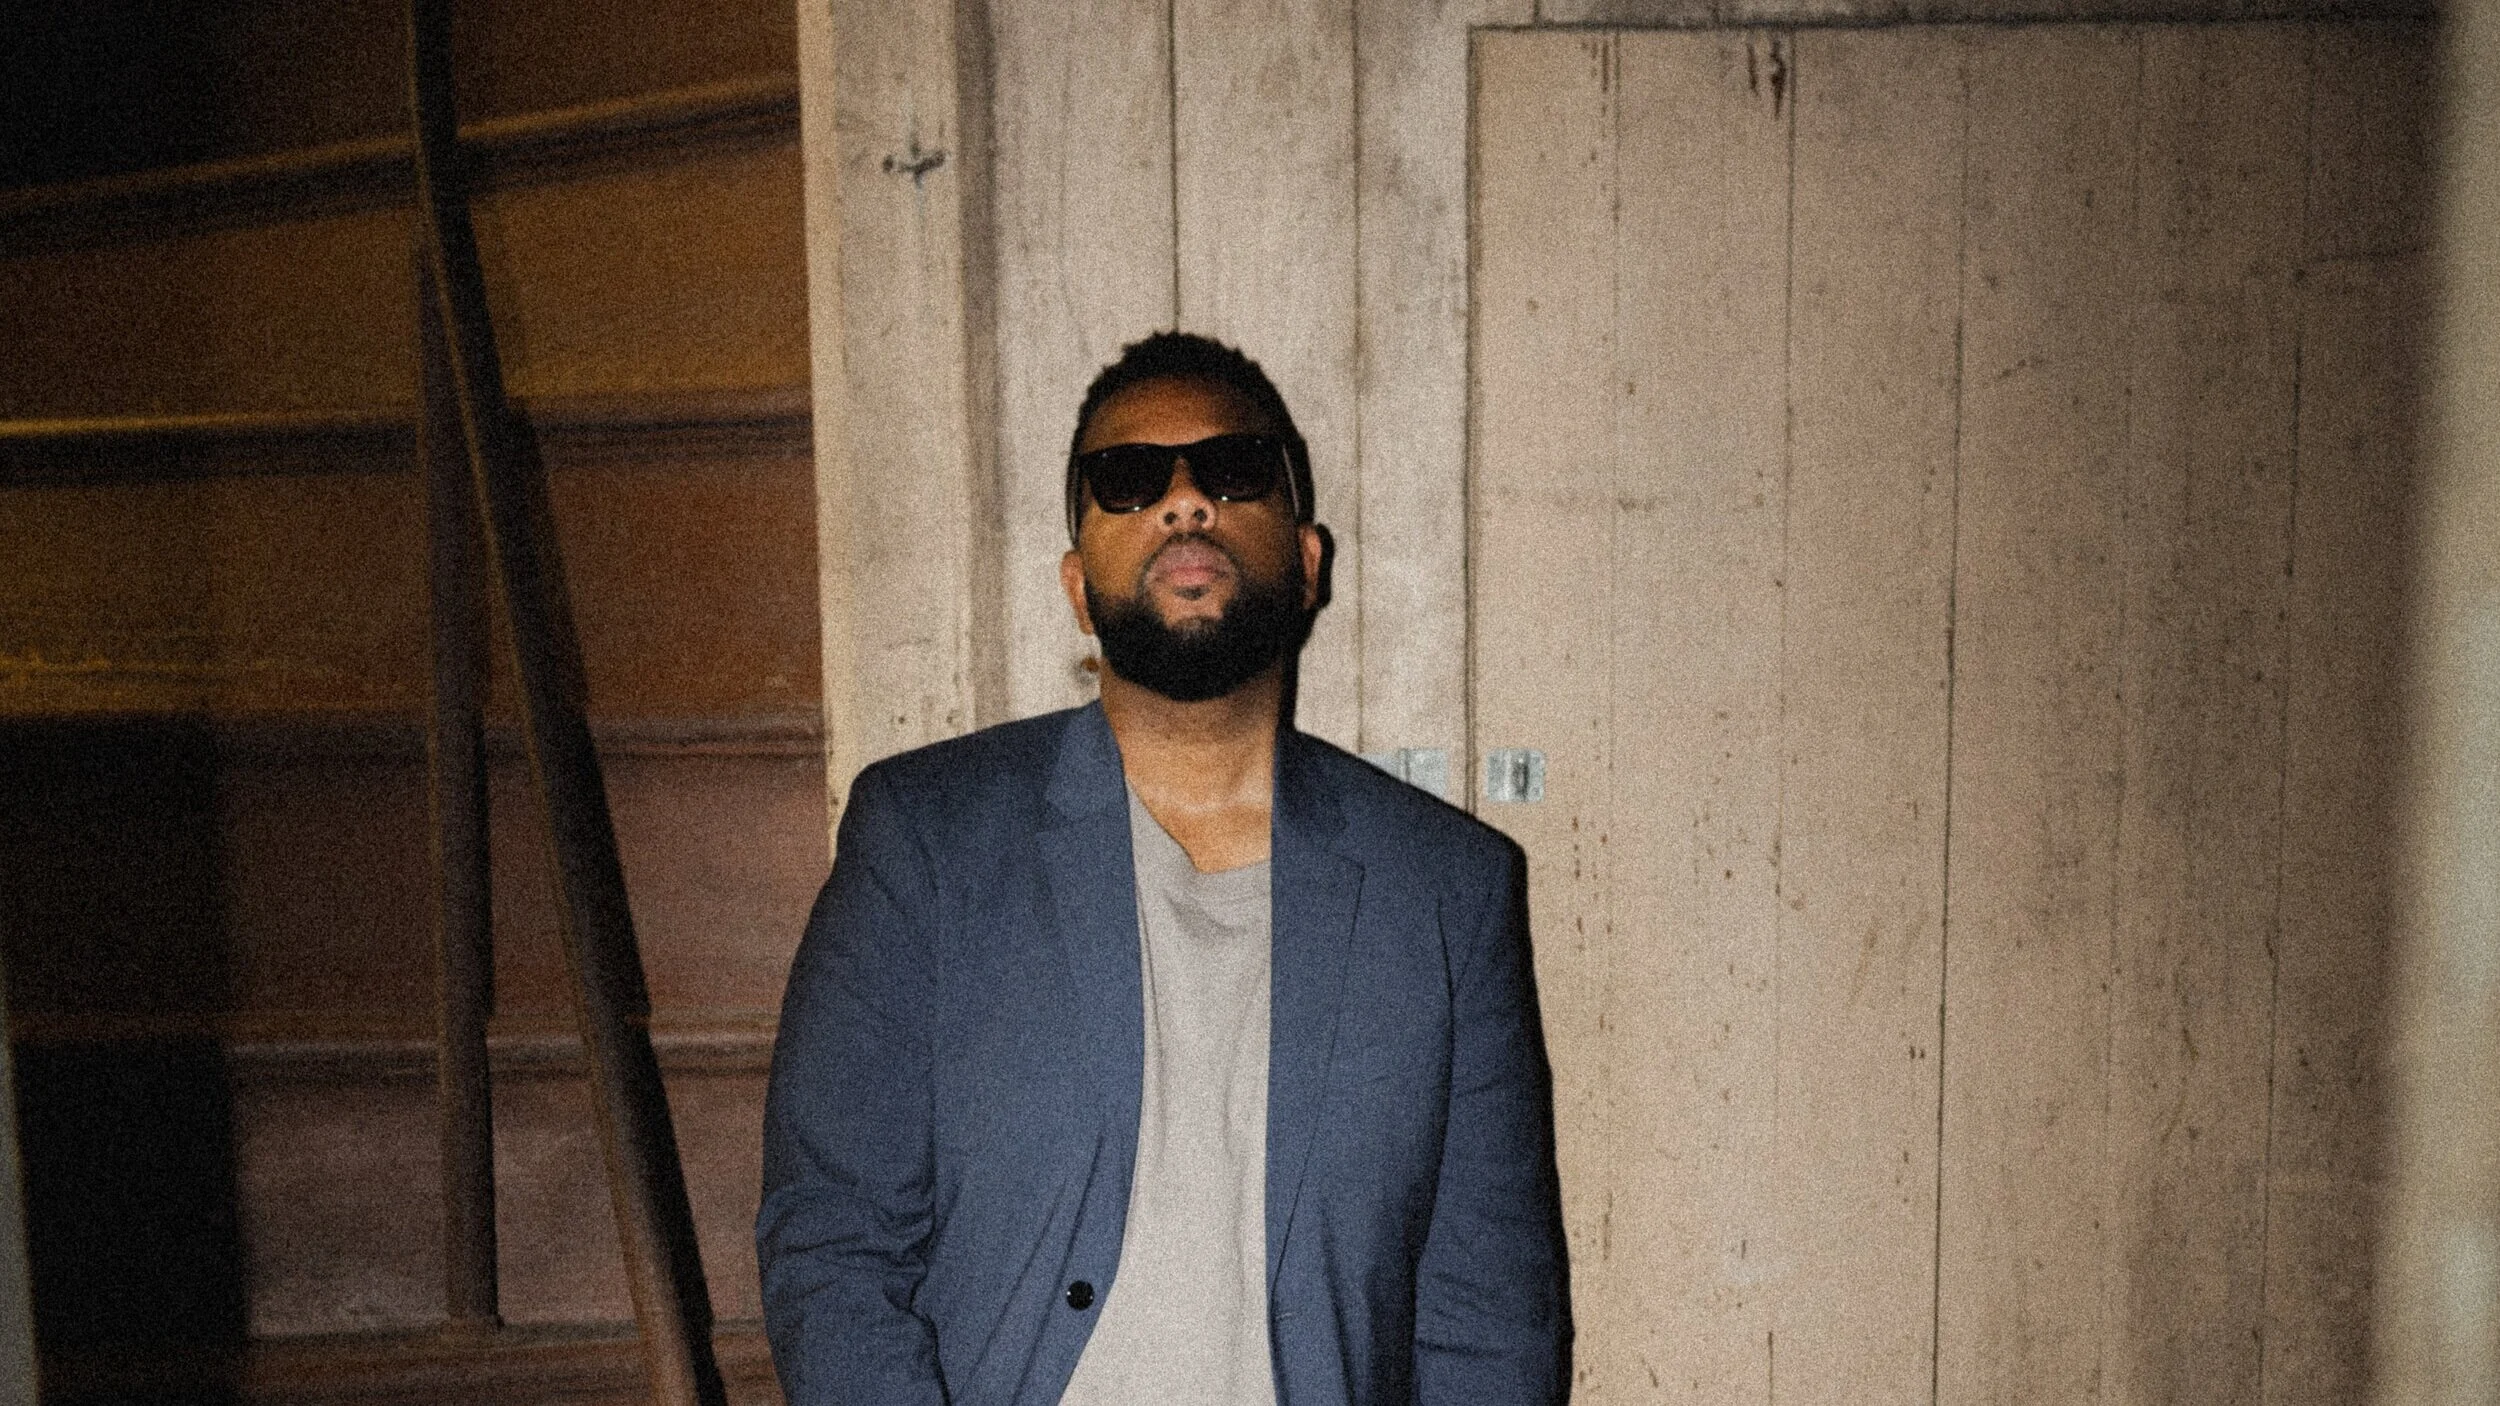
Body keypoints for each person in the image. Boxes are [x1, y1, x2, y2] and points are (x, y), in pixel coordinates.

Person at [757, 331, 1569, 1405]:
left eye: (1233, 470)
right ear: (1076, 587)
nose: (1185, 500)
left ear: (1308, 560)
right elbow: (835, 1239)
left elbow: (1490, 1310)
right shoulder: (928, 839)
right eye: (1129, 480)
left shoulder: (1446, 888)